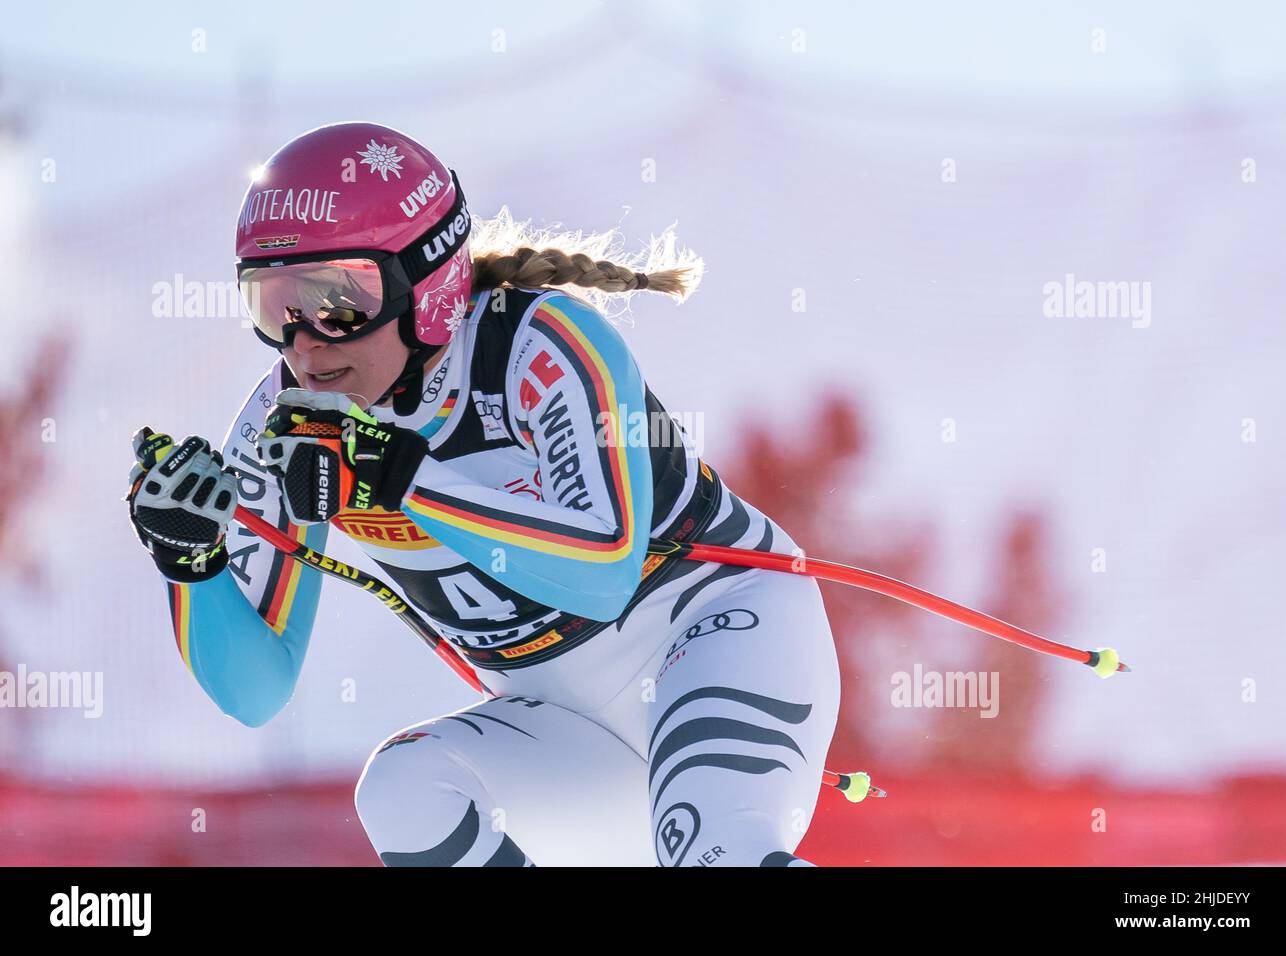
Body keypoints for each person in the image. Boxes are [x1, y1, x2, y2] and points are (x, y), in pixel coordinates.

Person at [125, 121, 840, 866]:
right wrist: (191, 564)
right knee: (405, 789)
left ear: (425, 286)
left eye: (339, 301)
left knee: (716, 853)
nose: (306, 344)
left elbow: (601, 572)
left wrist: (394, 475)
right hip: (571, 730)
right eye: (275, 306)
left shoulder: (535, 345)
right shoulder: (286, 422)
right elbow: (257, 692)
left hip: (716, 635)